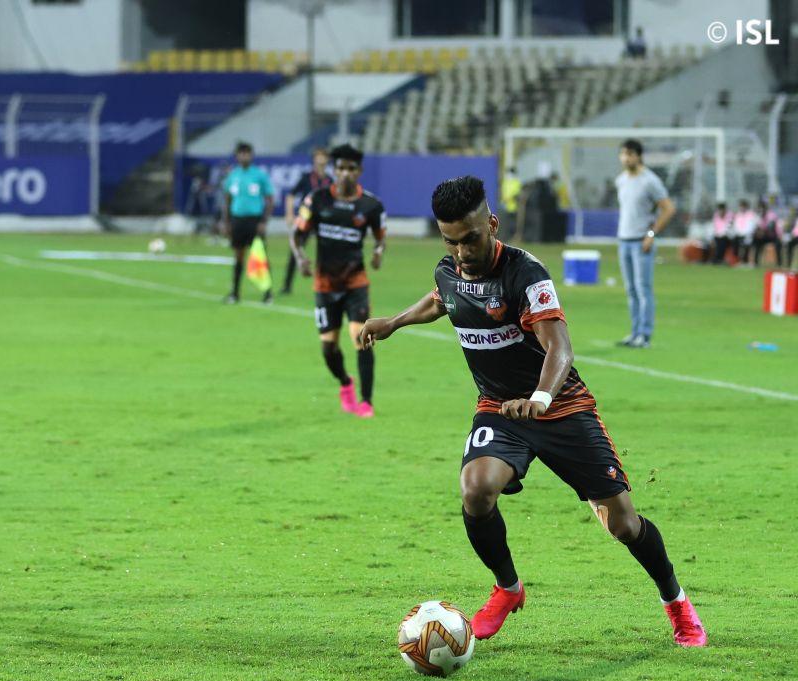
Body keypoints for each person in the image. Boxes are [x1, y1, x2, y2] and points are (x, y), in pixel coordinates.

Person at [356, 176, 706, 647]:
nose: (461, 251)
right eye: (451, 241)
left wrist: (540, 397)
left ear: (493, 224)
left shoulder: (526, 274)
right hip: (500, 410)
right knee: (476, 490)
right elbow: (442, 300)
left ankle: (677, 604)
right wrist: (394, 322)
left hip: (561, 407)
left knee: (623, 524)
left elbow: (559, 346)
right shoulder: (449, 270)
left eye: (471, 238)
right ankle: (508, 589)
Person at [290, 143, 386, 418]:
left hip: (355, 282)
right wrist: (300, 257)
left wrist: (379, 252)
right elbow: (297, 234)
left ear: (359, 171)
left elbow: (381, 238)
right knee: (328, 347)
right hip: (325, 284)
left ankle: (366, 401)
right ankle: (346, 382)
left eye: (351, 168)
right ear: (334, 170)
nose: (345, 173)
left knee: (360, 337)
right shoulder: (317, 199)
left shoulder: (371, 205)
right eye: (341, 168)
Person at [615, 139, 674, 348]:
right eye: (623, 154)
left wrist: (652, 233)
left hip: (642, 241)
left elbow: (668, 208)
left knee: (643, 289)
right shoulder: (621, 180)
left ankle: (645, 335)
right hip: (624, 240)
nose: (625, 158)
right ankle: (634, 332)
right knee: (631, 289)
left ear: (638, 156)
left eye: (629, 154)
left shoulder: (650, 181)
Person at [221, 142, 275, 304]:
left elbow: (270, 199)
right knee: (238, 256)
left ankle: (267, 293)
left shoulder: (259, 175)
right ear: (237, 156)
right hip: (238, 220)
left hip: (255, 220)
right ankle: (235, 292)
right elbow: (227, 200)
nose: (244, 156)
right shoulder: (233, 176)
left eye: (247, 153)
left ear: (251, 155)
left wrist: (264, 221)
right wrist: (227, 222)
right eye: (241, 153)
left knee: (260, 257)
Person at [282, 147, 331, 295]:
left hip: (323, 219)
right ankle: (287, 285)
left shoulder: (330, 180)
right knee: (295, 250)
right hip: (306, 218)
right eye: (318, 156)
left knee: (328, 253)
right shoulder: (306, 177)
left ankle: (326, 284)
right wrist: (289, 214)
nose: (320, 159)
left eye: (323, 156)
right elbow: (290, 195)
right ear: (314, 160)